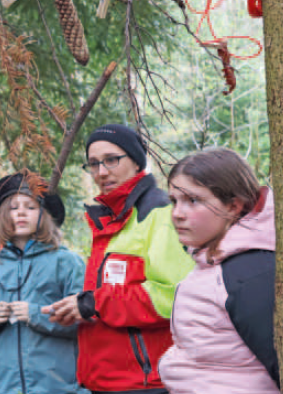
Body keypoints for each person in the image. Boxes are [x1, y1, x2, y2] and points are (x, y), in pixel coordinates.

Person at [44, 124, 194, 394]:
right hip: (105, 381)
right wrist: (80, 309)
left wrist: (95, 304)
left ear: (136, 161)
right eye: (93, 163)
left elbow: (175, 297)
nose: (102, 172)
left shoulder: (159, 214)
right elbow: (111, 299)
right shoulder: (109, 219)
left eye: (111, 159)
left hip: (148, 383)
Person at [159, 148, 280, 394]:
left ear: (233, 206)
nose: (177, 214)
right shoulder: (215, 261)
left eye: (193, 200)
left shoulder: (247, 272)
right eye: (174, 201)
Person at [0, 172, 86, 394]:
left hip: (57, 387)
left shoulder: (67, 263)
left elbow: (84, 320)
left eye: (30, 207)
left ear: (45, 214)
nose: (21, 212)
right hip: (4, 387)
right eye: (13, 208)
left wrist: (35, 314)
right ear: (3, 216)